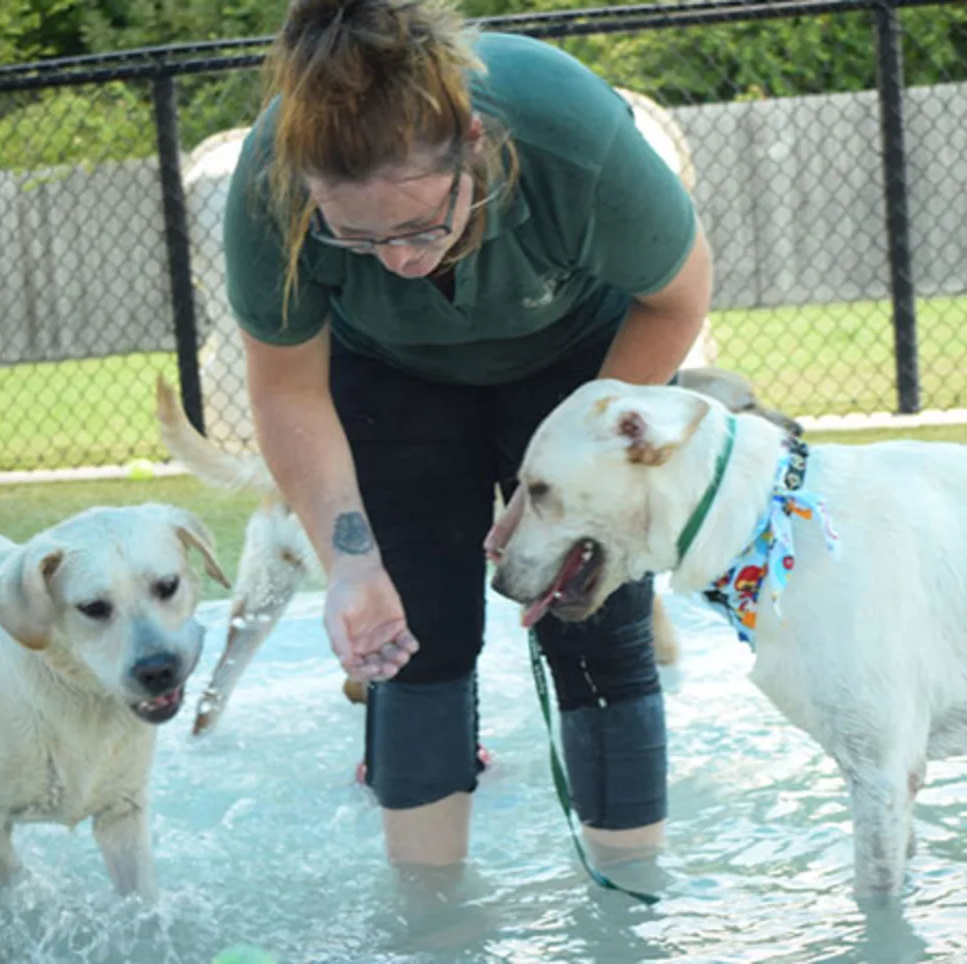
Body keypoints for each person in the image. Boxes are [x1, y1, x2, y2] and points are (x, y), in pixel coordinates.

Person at [222, 0, 713, 869]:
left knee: (592, 621)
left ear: (475, 144)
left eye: (419, 225)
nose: (401, 260)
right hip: (390, 378)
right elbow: (289, 389)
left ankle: (629, 908)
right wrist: (349, 564)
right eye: (359, 237)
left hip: (581, 359)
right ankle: (432, 920)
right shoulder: (272, 182)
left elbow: (675, 295)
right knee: (409, 634)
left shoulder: (567, 133)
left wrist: (557, 476)